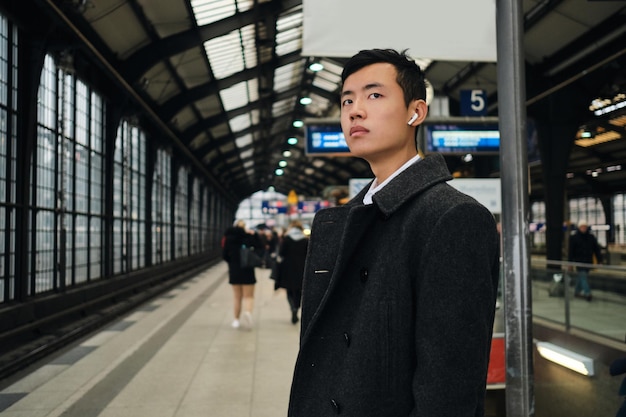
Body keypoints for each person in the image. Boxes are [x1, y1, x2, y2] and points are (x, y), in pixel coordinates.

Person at [288, 49, 500, 416]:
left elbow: (450, 387)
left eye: (374, 95)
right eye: (346, 100)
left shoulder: (453, 217)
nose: (354, 110)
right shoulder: (344, 220)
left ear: (416, 112)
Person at [222, 220, 262, 329]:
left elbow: (224, 255)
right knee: (248, 296)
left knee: (237, 297)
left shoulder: (229, 239)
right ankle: (248, 313)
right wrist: (255, 235)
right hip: (247, 270)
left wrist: (232, 262)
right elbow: (260, 247)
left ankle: (236, 320)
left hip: (234, 270)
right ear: (244, 227)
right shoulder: (247, 237)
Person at [276, 220, 309, 324]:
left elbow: (281, 253)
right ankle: (296, 307)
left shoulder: (286, 239)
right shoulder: (305, 240)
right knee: (299, 290)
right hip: (302, 268)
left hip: (288, 268)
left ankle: (292, 308)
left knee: (289, 290)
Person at [568, 219, 603, 301]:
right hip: (579, 261)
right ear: (579, 227)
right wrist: (570, 263)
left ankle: (577, 291)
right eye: (582, 227)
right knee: (583, 276)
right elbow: (571, 251)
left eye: (585, 227)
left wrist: (599, 260)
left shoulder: (591, 237)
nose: (583, 228)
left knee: (582, 276)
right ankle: (588, 293)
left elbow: (596, 249)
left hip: (588, 261)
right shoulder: (574, 237)